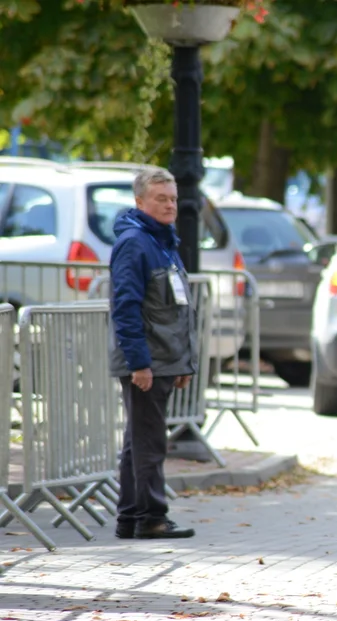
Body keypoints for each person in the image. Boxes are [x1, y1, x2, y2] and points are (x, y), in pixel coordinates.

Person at [108, 168, 198, 540]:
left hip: (163, 360)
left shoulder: (163, 241)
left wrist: (182, 362)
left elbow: (175, 309)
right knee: (149, 441)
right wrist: (139, 363)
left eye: (173, 198)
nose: (170, 205)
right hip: (146, 361)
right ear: (140, 201)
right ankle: (151, 517)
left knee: (139, 439)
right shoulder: (135, 243)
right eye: (161, 198)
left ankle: (131, 517)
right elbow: (125, 307)